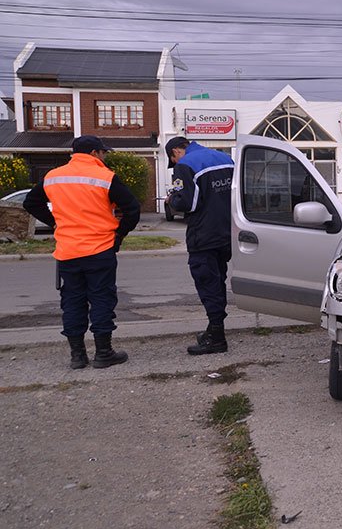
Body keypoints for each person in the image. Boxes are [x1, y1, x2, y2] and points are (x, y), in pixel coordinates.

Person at [23, 136, 140, 369]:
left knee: (72, 302)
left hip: (68, 251)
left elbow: (31, 203)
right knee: (101, 299)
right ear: (95, 153)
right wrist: (118, 236)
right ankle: (104, 353)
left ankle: (77, 356)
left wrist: (55, 222)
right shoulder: (106, 177)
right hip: (100, 249)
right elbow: (133, 209)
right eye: (103, 153)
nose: (105, 157)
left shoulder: (53, 176)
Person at [165, 136, 235, 355]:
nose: (174, 164)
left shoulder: (185, 165)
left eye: (172, 159)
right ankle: (214, 329)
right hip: (227, 233)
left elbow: (187, 203)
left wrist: (172, 199)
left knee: (207, 284)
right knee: (219, 281)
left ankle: (216, 337)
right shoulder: (225, 158)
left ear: (177, 151)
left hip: (203, 235)